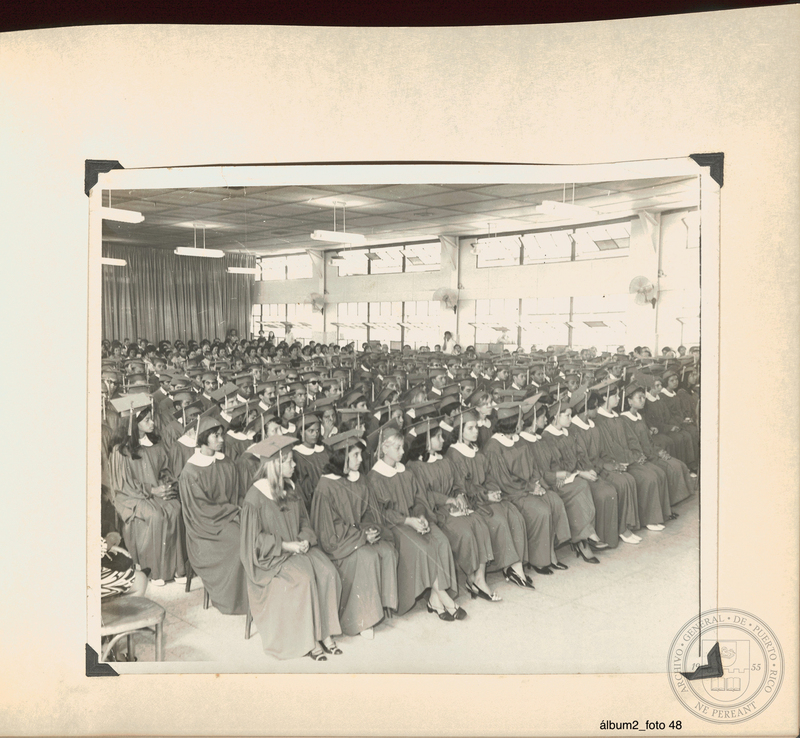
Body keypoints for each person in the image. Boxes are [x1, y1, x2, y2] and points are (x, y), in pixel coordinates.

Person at [239, 435, 343, 661]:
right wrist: (286, 545)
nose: (294, 465)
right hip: (272, 557)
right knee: (303, 579)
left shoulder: (291, 488)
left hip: (297, 548)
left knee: (328, 572)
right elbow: (254, 541)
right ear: (275, 465)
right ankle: (309, 639)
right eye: (288, 461)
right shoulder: (255, 497)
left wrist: (304, 538)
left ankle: (324, 632)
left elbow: (304, 520)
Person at [367, 425, 463, 620]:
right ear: (384, 448)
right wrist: (407, 521)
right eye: (398, 448)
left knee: (441, 541)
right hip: (394, 526)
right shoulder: (375, 477)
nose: (403, 452)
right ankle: (443, 595)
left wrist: (421, 516)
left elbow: (419, 500)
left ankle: (434, 599)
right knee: (422, 548)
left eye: (403, 447)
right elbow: (380, 513)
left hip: (414, 519)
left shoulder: (406, 472)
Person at [310, 430, 398, 639]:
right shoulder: (326, 486)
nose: (360, 460)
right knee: (367, 557)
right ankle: (362, 619)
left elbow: (368, 511)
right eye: (355, 455)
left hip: (357, 534)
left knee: (387, 550)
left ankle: (381, 607)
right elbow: (328, 531)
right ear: (342, 456)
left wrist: (371, 529)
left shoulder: (360, 479)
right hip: (338, 544)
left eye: (360, 454)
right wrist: (361, 537)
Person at [405, 420, 499, 602]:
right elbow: (421, 496)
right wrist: (447, 500)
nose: (443, 440)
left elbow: (457, 483)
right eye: (438, 437)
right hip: (436, 510)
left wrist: (460, 495)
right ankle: (471, 578)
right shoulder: (415, 466)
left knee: (479, 523)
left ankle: (480, 578)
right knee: (465, 532)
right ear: (426, 440)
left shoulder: (444, 460)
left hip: (454, 505)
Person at [445, 411, 532, 590]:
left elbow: (488, 476)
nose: (475, 431)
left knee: (514, 514)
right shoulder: (454, 454)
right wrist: (485, 496)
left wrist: (493, 490)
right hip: (473, 501)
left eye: (476, 427)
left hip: (485, 496)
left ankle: (515, 566)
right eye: (470, 428)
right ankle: (509, 566)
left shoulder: (475, 450)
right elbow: (462, 488)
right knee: (499, 520)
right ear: (460, 431)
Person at [108, 394, 186, 585]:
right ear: (133, 424)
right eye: (147, 420)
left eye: (152, 419)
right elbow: (124, 485)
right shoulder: (121, 451)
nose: (153, 423)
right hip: (132, 497)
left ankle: (176, 569)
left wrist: (167, 487)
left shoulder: (156, 445)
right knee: (155, 516)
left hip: (155, 491)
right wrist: (153, 490)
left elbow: (165, 470)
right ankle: (154, 571)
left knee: (175, 509)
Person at [178, 415, 249, 615]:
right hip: (205, 528)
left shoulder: (226, 463)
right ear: (203, 438)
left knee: (252, 533)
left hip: (227, 517)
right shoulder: (190, 472)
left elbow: (236, 494)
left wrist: (240, 510)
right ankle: (235, 600)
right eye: (216, 436)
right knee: (239, 542)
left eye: (221, 435)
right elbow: (200, 511)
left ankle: (254, 594)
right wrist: (233, 512)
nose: (222, 440)